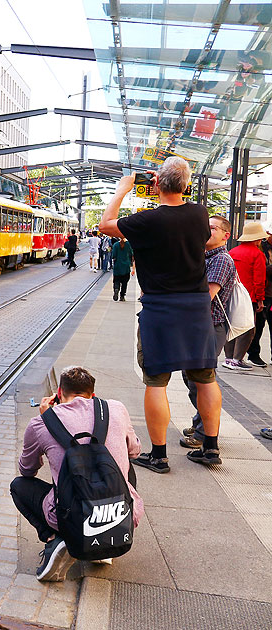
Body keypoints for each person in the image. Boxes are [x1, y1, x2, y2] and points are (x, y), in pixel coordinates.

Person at [99, 157, 223, 472]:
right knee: (205, 377)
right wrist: (168, 183)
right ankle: (210, 449)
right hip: (196, 309)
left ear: (156, 185)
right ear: (186, 186)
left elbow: (104, 225)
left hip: (160, 309)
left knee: (157, 382)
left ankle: (158, 455)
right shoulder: (199, 214)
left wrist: (122, 189)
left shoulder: (146, 222)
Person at [12, 366, 143, 581]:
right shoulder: (117, 408)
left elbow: (27, 470)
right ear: (92, 395)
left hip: (70, 518)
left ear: (59, 393)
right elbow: (135, 451)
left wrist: (49, 421)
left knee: (18, 486)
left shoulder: (39, 423)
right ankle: (104, 541)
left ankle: (54, 539)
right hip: (122, 514)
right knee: (126, 467)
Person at [181, 215, 237, 449]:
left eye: (212, 228)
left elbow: (206, 297)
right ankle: (200, 421)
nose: (207, 231)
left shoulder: (222, 260)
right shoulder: (205, 257)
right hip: (198, 326)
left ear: (226, 235)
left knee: (201, 380)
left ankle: (205, 433)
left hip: (209, 327)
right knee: (192, 378)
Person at [223, 222, 267, 369]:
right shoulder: (257, 254)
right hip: (249, 297)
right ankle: (237, 359)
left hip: (230, 294)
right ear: (257, 239)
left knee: (230, 325)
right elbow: (259, 280)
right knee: (247, 328)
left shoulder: (232, 252)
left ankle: (228, 358)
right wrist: (260, 299)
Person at [246, 226, 272, 367]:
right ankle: (253, 353)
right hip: (262, 292)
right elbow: (260, 274)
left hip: (267, 291)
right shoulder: (259, 250)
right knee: (258, 325)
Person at [110, 236, 134, 301]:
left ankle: (116, 289)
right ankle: (122, 296)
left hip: (117, 266)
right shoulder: (128, 244)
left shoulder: (115, 245)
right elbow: (131, 254)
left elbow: (113, 256)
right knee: (125, 282)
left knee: (116, 280)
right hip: (126, 267)